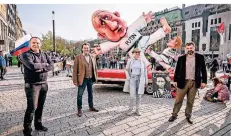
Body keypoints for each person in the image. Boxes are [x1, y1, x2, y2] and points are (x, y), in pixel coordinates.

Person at [91, 10, 171, 68]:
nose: (113, 26)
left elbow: (138, 23)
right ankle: (154, 66)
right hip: (139, 44)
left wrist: (144, 19)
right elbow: (108, 46)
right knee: (147, 50)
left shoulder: (129, 29)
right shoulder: (119, 41)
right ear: (102, 35)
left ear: (117, 14)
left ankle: (147, 66)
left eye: (109, 18)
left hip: (140, 42)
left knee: (142, 58)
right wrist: (100, 48)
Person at [21, 37, 54, 136]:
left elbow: (52, 65)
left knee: (40, 106)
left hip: (44, 84)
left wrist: (41, 67)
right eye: (33, 43)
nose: (36, 44)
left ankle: (38, 124)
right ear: (30, 44)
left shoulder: (45, 54)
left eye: (38, 43)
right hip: (32, 85)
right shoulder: (26, 54)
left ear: (41, 44)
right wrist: (45, 65)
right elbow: (32, 66)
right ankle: (27, 131)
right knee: (31, 108)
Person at [168, 42, 207, 124]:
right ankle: (174, 115)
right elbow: (177, 70)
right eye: (188, 48)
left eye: (191, 48)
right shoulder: (181, 58)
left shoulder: (200, 57)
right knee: (178, 100)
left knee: (190, 101)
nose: (189, 50)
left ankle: (188, 115)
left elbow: (204, 70)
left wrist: (204, 81)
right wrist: (175, 80)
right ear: (186, 49)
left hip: (194, 82)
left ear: (194, 47)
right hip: (183, 82)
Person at [73, 43, 99, 117]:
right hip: (82, 79)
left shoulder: (92, 56)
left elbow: (95, 67)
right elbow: (75, 70)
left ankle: (91, 106)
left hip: (90, 79)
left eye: (87, 48)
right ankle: (79, 109)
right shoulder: (78, 57)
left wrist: (96, 76)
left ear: (89, 48)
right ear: (82, 49)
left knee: (90, 93)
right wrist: (75, 80)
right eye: (85, 48)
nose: (86, 49)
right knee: (80, 95)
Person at [125, 48, 148, 116]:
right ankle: (130, 109)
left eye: (139, 52)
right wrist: (128, 77)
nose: (137, 53)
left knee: (139, 96)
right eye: (136, 52)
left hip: (140, 79)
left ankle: (137, 110)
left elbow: (145, 72)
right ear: (134, 53)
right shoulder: (130, 60)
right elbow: (126, 69)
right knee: (132, 96)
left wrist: (146, 81)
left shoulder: (142, 61)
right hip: (132, 79)